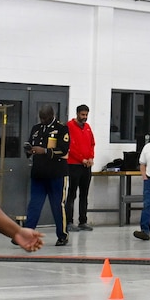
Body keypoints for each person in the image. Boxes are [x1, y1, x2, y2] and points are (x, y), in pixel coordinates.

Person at [22, 105, 70, 246]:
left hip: (56, 174)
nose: (43, 120)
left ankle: (62, 235)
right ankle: (26, 234)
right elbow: (31, 145)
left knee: (57, 206)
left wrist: (44, 151)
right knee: (34, 206)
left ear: (52, 115)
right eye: (41, 118)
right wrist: (29, 150)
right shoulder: (36, 129)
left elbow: (63, 150)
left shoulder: (62, 129)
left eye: (45, 118)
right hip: (38, 174)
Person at [65, 104, 97, 233]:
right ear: (77, 114)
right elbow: (70, 146)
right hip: (73, 165)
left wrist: (90, 158)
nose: (84, 117)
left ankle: (83, 221)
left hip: (86, 166)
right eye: (82, 115)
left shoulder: (88, 128)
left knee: (84, 194)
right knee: (72, 194)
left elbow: (92, 144)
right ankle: (68, 221)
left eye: (86, 115)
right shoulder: (69, 126)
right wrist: (81, 159)